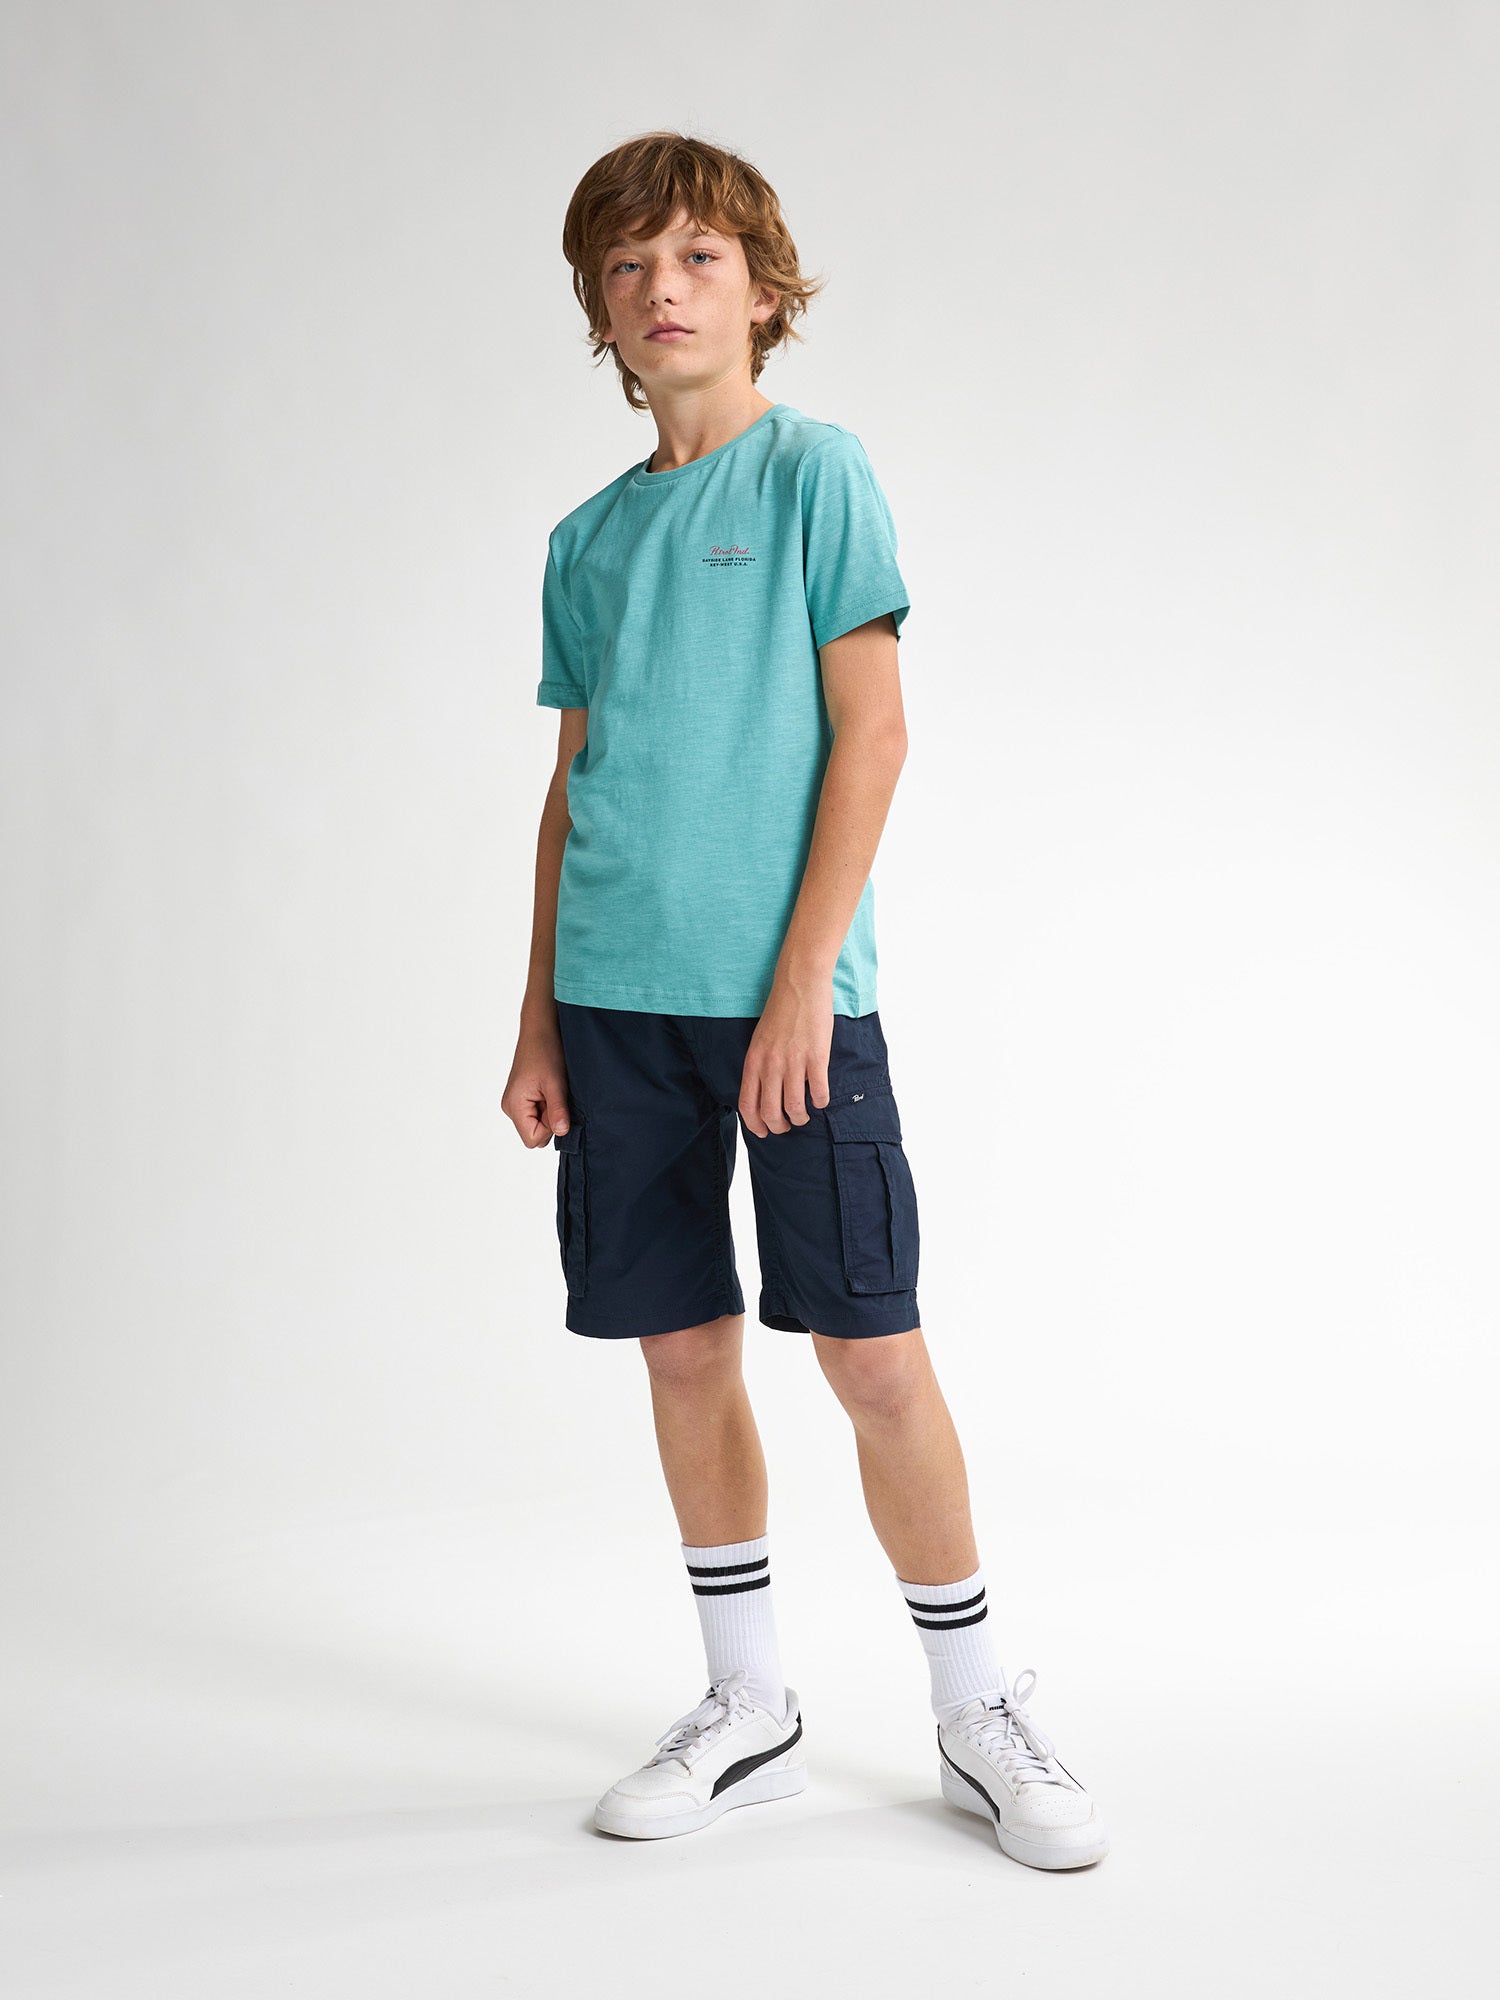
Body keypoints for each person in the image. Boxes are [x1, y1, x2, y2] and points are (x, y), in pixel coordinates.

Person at [502, 130, 1109, 1871]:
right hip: (616, 1006)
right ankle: (746, 1704)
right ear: (599, 311)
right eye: (628, 267)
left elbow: (875, 736)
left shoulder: (815, 477)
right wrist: (538, 1016)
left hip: (791, 1008)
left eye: (697, 257)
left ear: (763, 293)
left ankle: (978, 1707)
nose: (663, 290)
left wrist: (797, 994)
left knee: (871, 1348)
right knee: (681, 1345)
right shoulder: (584, 540)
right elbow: (573, 789)